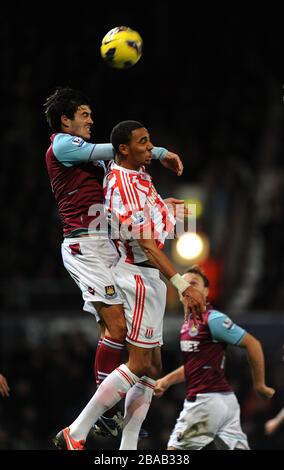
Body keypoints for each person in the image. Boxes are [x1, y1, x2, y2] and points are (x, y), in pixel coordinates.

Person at [44, 87, 200, 439]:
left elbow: (126, 177)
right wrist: (159, 152)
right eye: (84, 115)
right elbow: (118, 151)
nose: (90, 120)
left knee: (148, 359)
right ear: (65, 120)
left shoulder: (110, 165)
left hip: (106, 243)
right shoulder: (63, 146)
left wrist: (163, 207)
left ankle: (119, 433)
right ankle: (98, 419)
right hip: (87, 244)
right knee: (118, 332)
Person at [154, 265, 275, 450]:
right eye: (183, 285)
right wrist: (166, 380)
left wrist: (259, 384)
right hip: (225, 402)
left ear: (206, 291)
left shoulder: (212, 319)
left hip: (206, 402)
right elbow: (195, 365)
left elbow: (253, 344)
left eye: (194, 284)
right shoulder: (188, 324)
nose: (188, 289)